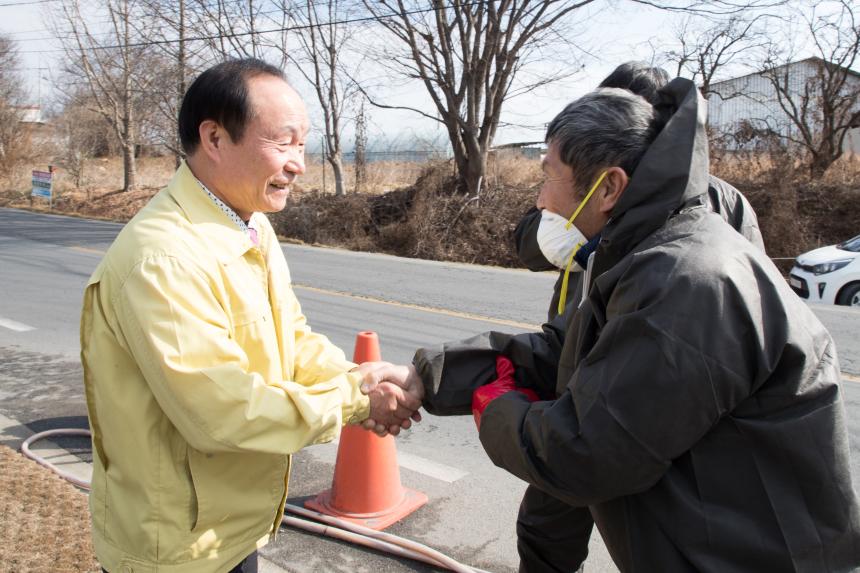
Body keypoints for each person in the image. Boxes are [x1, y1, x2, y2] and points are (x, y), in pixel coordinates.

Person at [379, 80, 860, 571]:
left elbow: (585, 453)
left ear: (608, 187)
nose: (541, 201)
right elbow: (565, 353)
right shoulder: (647, 252)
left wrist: (494, 404)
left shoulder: (685, 281)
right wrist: (425, 378)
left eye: (548, 177)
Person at [80, 59, 418, 573]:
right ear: (214, 138)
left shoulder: (249, 224)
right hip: (175, 550)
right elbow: (222, 413)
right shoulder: (165, 258)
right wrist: (355, 400)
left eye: (302, 144)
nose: (299, 164)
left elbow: (290, 338)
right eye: (283, 142)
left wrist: (358, 376)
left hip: (230, 530)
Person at [515, 61, 764, 322]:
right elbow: (528, 247)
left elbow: (749, 295)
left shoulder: (724, 202)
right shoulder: (585, 184)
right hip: (574, 333)